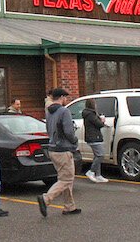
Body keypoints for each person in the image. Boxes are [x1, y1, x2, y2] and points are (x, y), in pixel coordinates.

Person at [37, 88, 81, 216]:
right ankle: (46, 199)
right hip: (63, 149)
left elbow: (48, 129)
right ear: (62, 97)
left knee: (64, 177)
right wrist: (74, 141)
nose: (66, 100)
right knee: (67, 179)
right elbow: (68, 131)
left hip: (53, 148)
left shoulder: (49, 112)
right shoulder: (64, 111)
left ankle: (69, 206)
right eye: (65, 97)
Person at [82, 98, 108, 183]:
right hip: (94, 137)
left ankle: (98, 175)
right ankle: (91, 171)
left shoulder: (88, 114)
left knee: (97, 155)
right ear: (92, 105)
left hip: (92, 137)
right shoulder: (91, 114)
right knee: (100, 155)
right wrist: (102, 121)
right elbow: (99, 124)